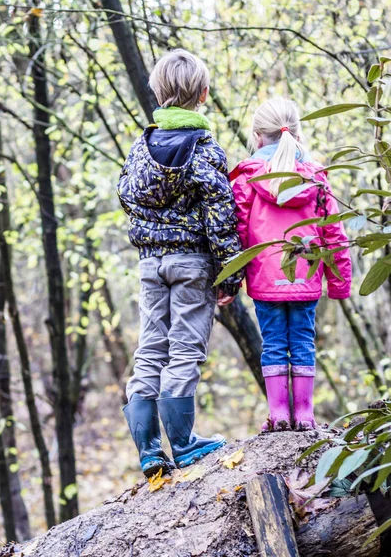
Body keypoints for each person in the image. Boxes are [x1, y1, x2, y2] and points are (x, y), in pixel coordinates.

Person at [117, 49, 243, 476]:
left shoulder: (141, 146)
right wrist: (230, 273)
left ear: (156, 90)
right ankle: (185, 444)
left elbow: (125, 193)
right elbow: (220, 214)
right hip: (192, 264)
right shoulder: (206, 150)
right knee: (185, 350)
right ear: (204, 94)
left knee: (150, 349)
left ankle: (149, 450)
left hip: (150, 263)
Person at [231, 97, 352, 432]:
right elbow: (334, 233)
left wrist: (231, 279)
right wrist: (339, 283)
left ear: (257, 137)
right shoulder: (316, 178)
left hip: (265, 281)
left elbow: (238, 233)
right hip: (306, 277)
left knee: (273, 344)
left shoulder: (246, 179)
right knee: (302, 341)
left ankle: (279, 414)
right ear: (297, 133)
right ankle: (305, 415)